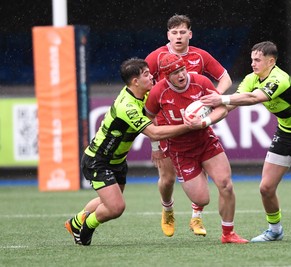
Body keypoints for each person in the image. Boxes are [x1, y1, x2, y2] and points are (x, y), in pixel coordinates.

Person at [200, 41, 291, 242]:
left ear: (271, 61)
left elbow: (253, 98)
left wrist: (221, 99)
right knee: (266, 188)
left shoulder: (279, 78)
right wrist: (205, 119)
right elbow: (232, 103)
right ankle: (275, 230)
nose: (252, 64)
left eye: (257, 60)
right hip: (286, 133)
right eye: (252, 59)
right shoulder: (252, 78)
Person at [64, 58, 199, 246]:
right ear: (135, 81)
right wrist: (188, 126)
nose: (151, 76)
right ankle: (85, 229)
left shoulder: (143, 93)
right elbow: (153, 131)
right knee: (116, 207)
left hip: (117, 161)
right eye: (146, 74)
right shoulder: (127, 107)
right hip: (98, 160)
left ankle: (76, 222)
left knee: (110, 201)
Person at [145, 53, 248, 244]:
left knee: (225, 184)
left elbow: (222, 108)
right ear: (167, 76)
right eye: (175, 73)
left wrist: (204, 122)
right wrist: (155, 146)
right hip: (180, 150)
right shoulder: (158, 92)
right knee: (201, 199)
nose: (181, 75)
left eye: (182, 69)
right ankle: (168, 208)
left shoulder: (201, 82)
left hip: (206, 141)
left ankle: (228, 233)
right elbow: (149, 119)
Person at [145, 14, 232, 237]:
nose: (178, 36)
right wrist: (155, 143)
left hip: (197, 120)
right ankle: (167, 209)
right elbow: (143, 91)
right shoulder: (157, 58)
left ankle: (196, 217)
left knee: (209, 171)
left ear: (190, 34)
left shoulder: (199, 57)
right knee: (167, 178)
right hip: (167, 128)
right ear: (168, 35)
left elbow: (225, 78)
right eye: (174, 32)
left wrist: (211, 100)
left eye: (183, 32)